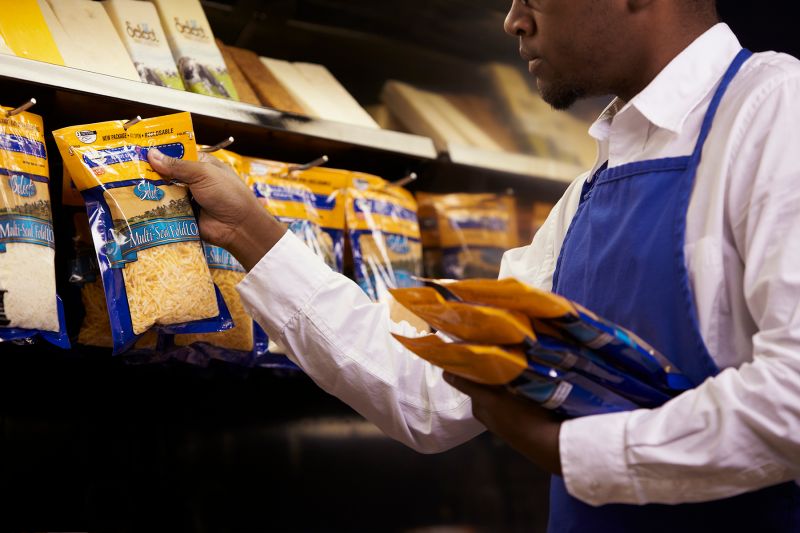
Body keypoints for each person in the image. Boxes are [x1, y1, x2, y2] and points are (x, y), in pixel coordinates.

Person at [147, 0, 800, 530]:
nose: (513, 20)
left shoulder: (776, 109)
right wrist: (249, 230)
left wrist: (568, 452)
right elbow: (428, 388)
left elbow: (791, 399)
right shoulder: (587, 197)